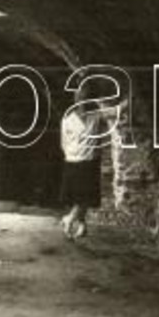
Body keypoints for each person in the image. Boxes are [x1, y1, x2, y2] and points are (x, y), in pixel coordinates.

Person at [58, 84, 107, 241]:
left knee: (86, 195)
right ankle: (73, 220)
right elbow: (64, 142)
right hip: (73, 160)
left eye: (85, 96)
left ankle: (75, 221)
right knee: (79, 196)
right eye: (79, 96)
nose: (82, 99)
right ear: (75, 99)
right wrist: (71, 154)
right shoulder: (68, 119)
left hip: (90, 160)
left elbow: (114, 114)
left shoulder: (96, 116)